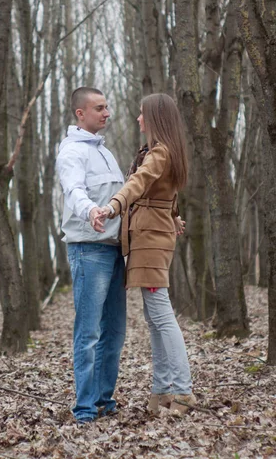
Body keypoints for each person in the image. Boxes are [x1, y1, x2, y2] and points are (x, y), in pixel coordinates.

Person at [92, 92, 196, 416]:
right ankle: (162, 390)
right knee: (154, 318)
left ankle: (183, 390)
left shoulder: (159, 153)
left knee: (161, 315)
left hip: (151, 240)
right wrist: (173, 214)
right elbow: (164, 191)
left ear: (155, 119)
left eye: (142, 114)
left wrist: (112, 207)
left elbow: (139, 183)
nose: (138, 119)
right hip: (151, 235)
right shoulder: (165, 151)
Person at [56, 86, 126, 423]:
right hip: (88, 250)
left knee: (114, 332)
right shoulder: (72, 151)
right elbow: (74, 190)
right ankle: (84, 409)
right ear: (80, 113)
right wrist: (91, 212)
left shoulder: (106, 153)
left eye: (107, 106)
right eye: (99, 107)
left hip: (115, 251)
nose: (107, 112)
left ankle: (103, 401)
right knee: (89, 334)